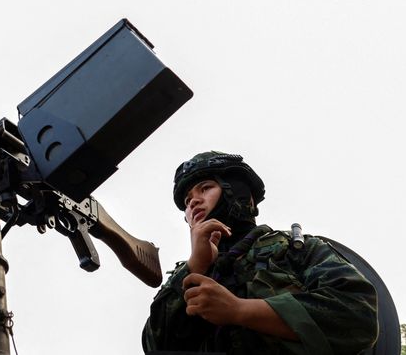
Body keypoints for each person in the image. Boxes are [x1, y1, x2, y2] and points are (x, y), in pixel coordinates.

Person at [141, 151, 378, 354]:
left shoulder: (296, 249)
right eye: (188, 200)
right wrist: (196, 266)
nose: (193, 202)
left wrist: (240, 310)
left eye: (205, 188)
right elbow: (155, 346)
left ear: (241, 194)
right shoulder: (189, 274)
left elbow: (357, 314)